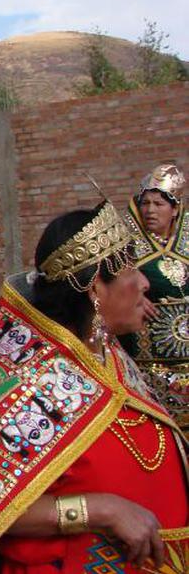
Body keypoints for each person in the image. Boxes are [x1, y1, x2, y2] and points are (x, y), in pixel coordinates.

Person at [0, 201, 188, 574]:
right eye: (131, 268)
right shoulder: (37, 382)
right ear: (96, 286)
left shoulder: (110, 358)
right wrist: (102, 510)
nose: (145, 282)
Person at [120, 164, 188, 433]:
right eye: (145, 203)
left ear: (174, 208)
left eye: (158, 204)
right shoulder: (125, 246)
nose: (149, 210)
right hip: (147, 364)